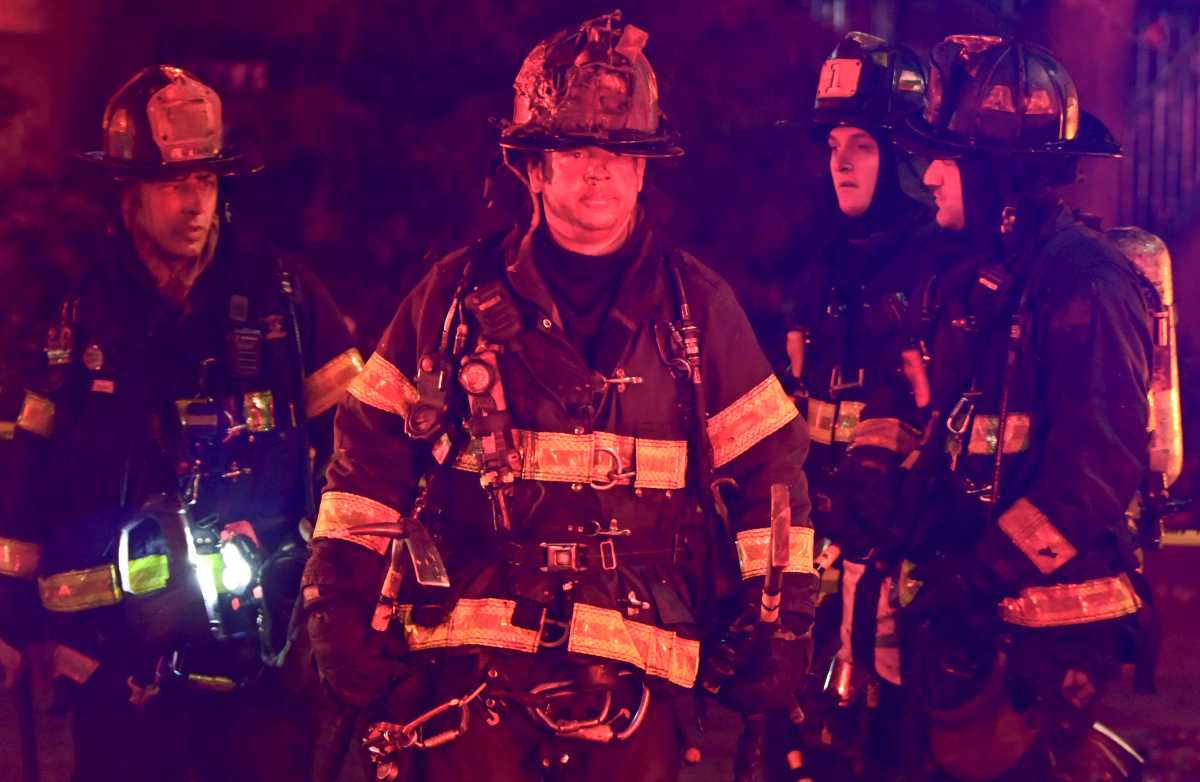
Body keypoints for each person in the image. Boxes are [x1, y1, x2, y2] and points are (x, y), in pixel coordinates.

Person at [301, 11, 817, 782]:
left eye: (618, 151)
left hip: (641, 686)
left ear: (645, 170)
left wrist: (784, 625)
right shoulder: (450, 299)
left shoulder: (699, 313)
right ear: (533, 168)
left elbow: (773, 475)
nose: (599, 170)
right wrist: (335, 606)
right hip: (470, 685)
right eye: (576, 149)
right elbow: (366, 466)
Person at [1, 64, 362, 782]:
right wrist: (16, 628)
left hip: (264, 658)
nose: (194, 204)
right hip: (114, 662)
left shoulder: (285, 301)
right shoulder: (80, 313)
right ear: (129, 194)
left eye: (205, 182)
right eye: (173, 185)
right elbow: (23, 473)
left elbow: (363, 454)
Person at [895, 36, 1151, 781]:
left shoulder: (1086, 285)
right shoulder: (984, 283)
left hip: (1059, 635)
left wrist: (982, 570)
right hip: (987, 617)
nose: (931, 174)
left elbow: (1097, 472)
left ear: (998, 175)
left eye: (946, 158)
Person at [775, 31, 958, 781]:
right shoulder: (820, 265)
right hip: (820, 538)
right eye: (834, 145)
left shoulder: (945, 270)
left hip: (903, 547)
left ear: (907, 160)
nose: (840, 161)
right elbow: (794, 399)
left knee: (895, 741)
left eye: (863, 145)